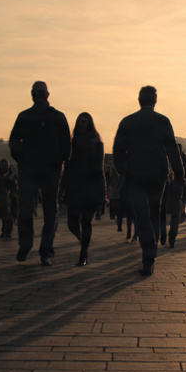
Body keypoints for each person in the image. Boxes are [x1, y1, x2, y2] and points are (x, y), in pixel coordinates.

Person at [112, 86, 185, 275]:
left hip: (135, 173)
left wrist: (123, 170)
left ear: (139, 99)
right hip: (157, 174)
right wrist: (179, 173)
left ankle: (148, 253)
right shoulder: (162, 121)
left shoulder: (128, 121)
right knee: (154, 212)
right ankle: (151, 253)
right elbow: (172, 150)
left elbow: (118, 150)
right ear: (155, 100)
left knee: (141, 215)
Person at [9, 81, 71, 265]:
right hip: (50, 170)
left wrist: (21, 157)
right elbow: (67, 144)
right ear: (47, 95)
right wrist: (59, 159)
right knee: (50, 211)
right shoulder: (58, 117)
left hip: (29, 169)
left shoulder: (24, 116)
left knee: (27, 210)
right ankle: (46, 251)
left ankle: (25, 246)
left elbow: (13, 141)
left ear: (32, 95)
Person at [63, 113, 106, 265]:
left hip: (91, 186)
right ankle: (83, 242)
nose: (81, 123)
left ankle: (83, 253)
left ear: (89, 124)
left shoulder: (96, 143)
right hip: (74, 186)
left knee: (86, 221)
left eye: (84, 121)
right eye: (79, 121)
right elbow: (66, 168)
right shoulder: (71, 143)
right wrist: (62, 188)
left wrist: (102, 193)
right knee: (72, 222)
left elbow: (100, 170)